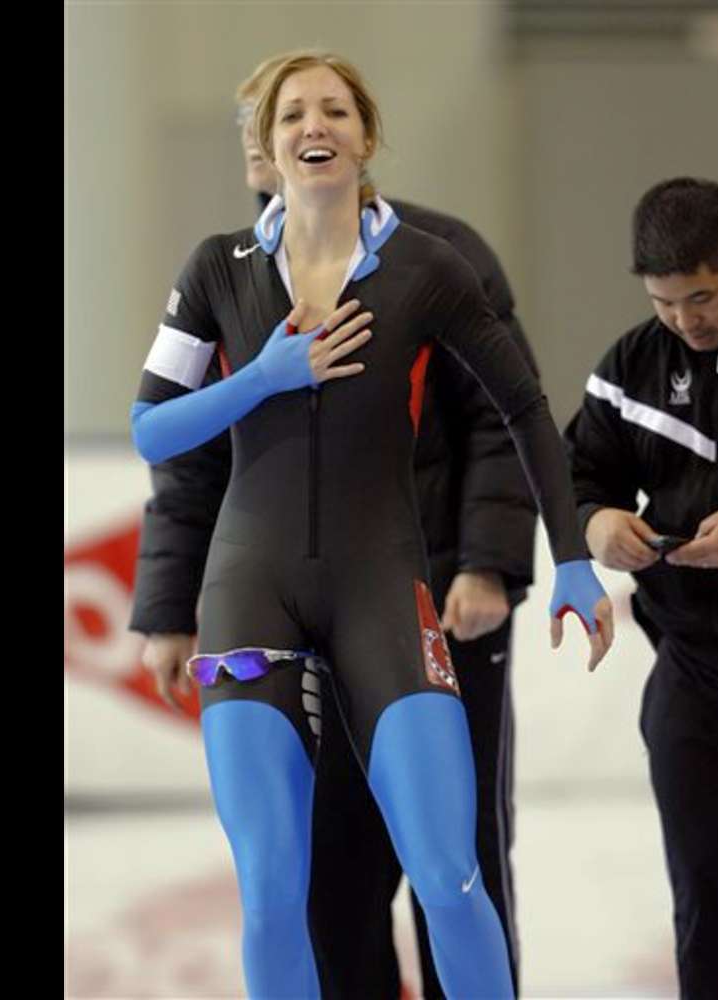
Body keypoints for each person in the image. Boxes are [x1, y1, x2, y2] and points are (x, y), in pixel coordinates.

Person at [129, 52, 614, 999]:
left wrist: (572, 561)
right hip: (248, 601)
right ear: (267, 148)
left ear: (366, 136)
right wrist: (263, 378)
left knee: (449, 872)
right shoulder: (216, 270)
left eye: (337, 110)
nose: (316, 125)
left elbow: (521, 410)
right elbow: (153, 431)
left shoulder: (431, 268)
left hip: (384, 589)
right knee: (275, 893)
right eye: (294, 114)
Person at [563, 177, 718, 1000]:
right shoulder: (629, 367)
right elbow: (576, 478)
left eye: (701, 296)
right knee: (705, 902)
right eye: (665, 301)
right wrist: (598, 523)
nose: (684, 320)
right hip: (694, 675)